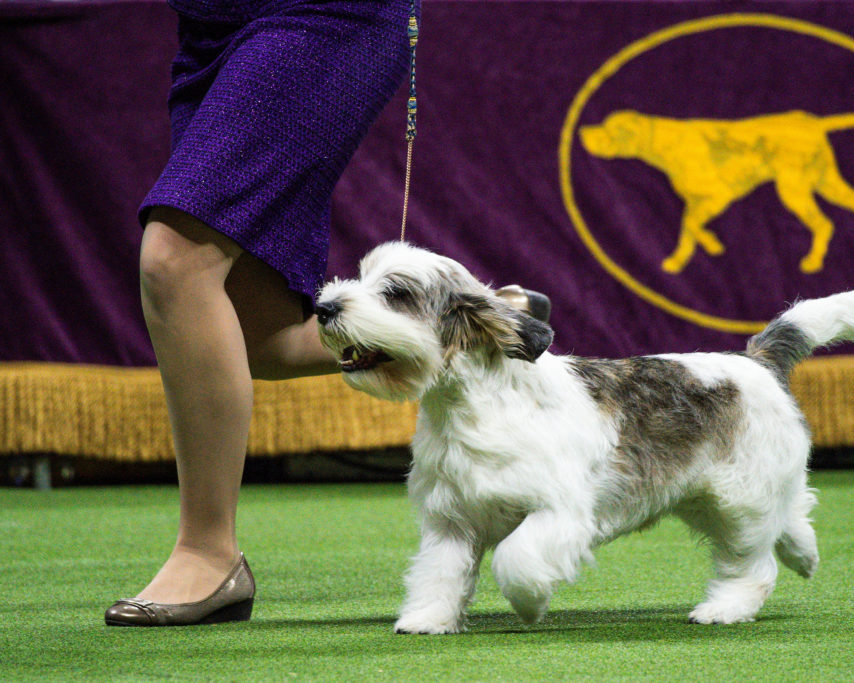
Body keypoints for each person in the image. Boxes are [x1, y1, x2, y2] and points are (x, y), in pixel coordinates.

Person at [104, 0, 547, 627]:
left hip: (322, 12)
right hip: (210, 26)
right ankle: (486, 322)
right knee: (259, 338)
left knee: (176, 260)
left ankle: (208, 553)